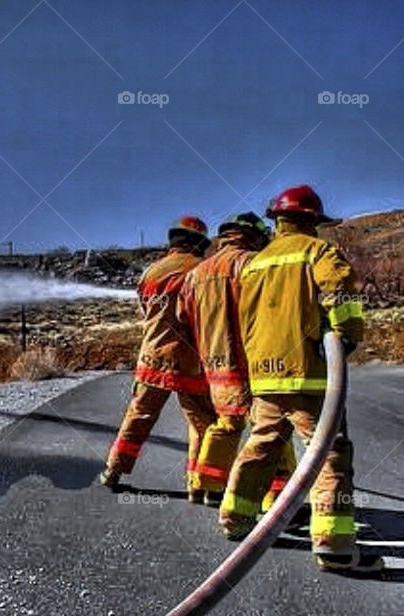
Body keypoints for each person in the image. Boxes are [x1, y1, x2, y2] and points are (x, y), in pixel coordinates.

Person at [219, 185, 382, 573]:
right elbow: (340, 294)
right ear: (312, 221)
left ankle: (235, 517)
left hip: (265, 377)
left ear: (277, 221)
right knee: (329, 453)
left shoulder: (254, 264)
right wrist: (348, 336)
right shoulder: (318, 252)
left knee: (262, 444)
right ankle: (334, 545)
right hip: (307, 375)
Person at [179, 213, 295, 508]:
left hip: (215, 366)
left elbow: (183, 318)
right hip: (253, 364)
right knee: (272, 428)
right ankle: (276, 498)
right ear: (252, 235)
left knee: (227, 423)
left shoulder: (195, 274)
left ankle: (210, 485)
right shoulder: (254, 264)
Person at [99, 216, 217, 501]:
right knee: (202, 423)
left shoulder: (150, 272)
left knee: (138, 416)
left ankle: (113, 470)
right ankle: (197, 485)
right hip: (190, 360)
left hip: (151, 359)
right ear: (198, 243)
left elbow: (147, 311)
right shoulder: (202, 271)